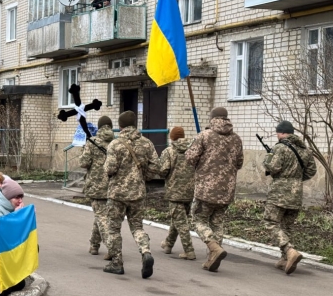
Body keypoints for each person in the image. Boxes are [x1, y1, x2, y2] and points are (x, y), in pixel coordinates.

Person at [102, 111, 160, 278]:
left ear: (120, 126)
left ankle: (117, 263)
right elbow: (156, 166)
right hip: (138, 193)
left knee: (113, 229)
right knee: (137, 227)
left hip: (117, 194)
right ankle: (146, 252)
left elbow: (109, 168)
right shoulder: (147, 143)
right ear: (135, 124)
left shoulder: (115, 144)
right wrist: (144, 178)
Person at [186, 107, 243, 272]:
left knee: (198, 220)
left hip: (206, 188)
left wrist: (201, 164)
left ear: (212, 119)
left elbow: (190, 157)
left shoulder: (204, 136)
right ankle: (213, 257)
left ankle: (213, 247)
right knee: (218, 222)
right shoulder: (236, 139)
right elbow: (239, 163)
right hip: (227, 190)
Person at [263, 120, 316, 275]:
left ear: (283, 133)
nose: (277, 135)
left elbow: (274, 167)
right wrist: (296, 179)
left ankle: (289, 250)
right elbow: (311, 171)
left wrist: (267, 160)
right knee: (287, 226)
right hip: (296, 193)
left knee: (270, 222)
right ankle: (285, 259)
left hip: (279, 192)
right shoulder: (305, 150)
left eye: (278, 132)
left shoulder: (280, 148)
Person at [158, 127, 196, 260]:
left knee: (181, 222)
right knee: (178, 219)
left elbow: (163, 170)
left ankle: (189, 250)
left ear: (172, 137)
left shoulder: (169, 151)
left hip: (174, 192)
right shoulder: (193, 150)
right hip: (190, 192)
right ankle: (168, 244)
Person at [79, 116, 114, 259]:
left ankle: (112, 247)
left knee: (101, 216)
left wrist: (83, 151)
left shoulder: (92, 142)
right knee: (100, 215)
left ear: (99, 127)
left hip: (96, 186)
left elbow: (84, 163)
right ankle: (94, 245)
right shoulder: (117, 143)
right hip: (113, 186)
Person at [0, 178, 25, 252]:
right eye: (17, 197)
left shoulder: (12, 207)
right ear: (7, 197)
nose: (20, 201)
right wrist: (16, 215)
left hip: (9, 249)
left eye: (21, 197)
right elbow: (2, 234)